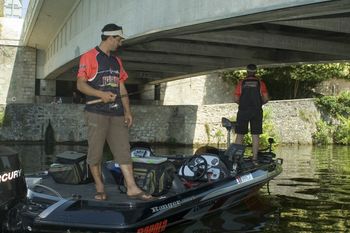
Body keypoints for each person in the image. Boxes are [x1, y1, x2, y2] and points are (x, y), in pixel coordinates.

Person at [77, 23, 153, 201]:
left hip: (117, 113)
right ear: (110, 38)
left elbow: (121, 87)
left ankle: (132, 187)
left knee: (123, 151)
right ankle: (100, 187)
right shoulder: (89, 57)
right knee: (95, 152)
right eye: (118, 39)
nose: (120, 43)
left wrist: (128, 111)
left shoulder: (117, 61)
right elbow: (80, 84)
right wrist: (100, 94)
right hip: (96, 112)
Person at [233, 64, 269, 163]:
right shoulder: (261, 83)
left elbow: (236, 99)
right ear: (255, 72)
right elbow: (266, 98)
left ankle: (237, 158)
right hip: (257, 111)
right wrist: (259, 103)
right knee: (255, 135)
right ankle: (254, 158)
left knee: (240, 134)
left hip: (243, 111)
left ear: (247, 72)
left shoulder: (241, 83)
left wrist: (243, 104)